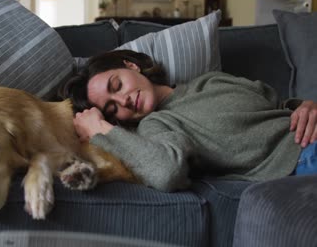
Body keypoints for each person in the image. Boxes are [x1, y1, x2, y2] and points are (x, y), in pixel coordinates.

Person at [61, 50, 317, 191]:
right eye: (112, 109)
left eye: (117, 85)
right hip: (302, 159)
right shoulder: (157, 124)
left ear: (132, 65)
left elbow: (275, 102)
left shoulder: (210, 80)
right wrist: (101, 130)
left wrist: (304, 105)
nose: (124, 101)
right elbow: (166, 173)